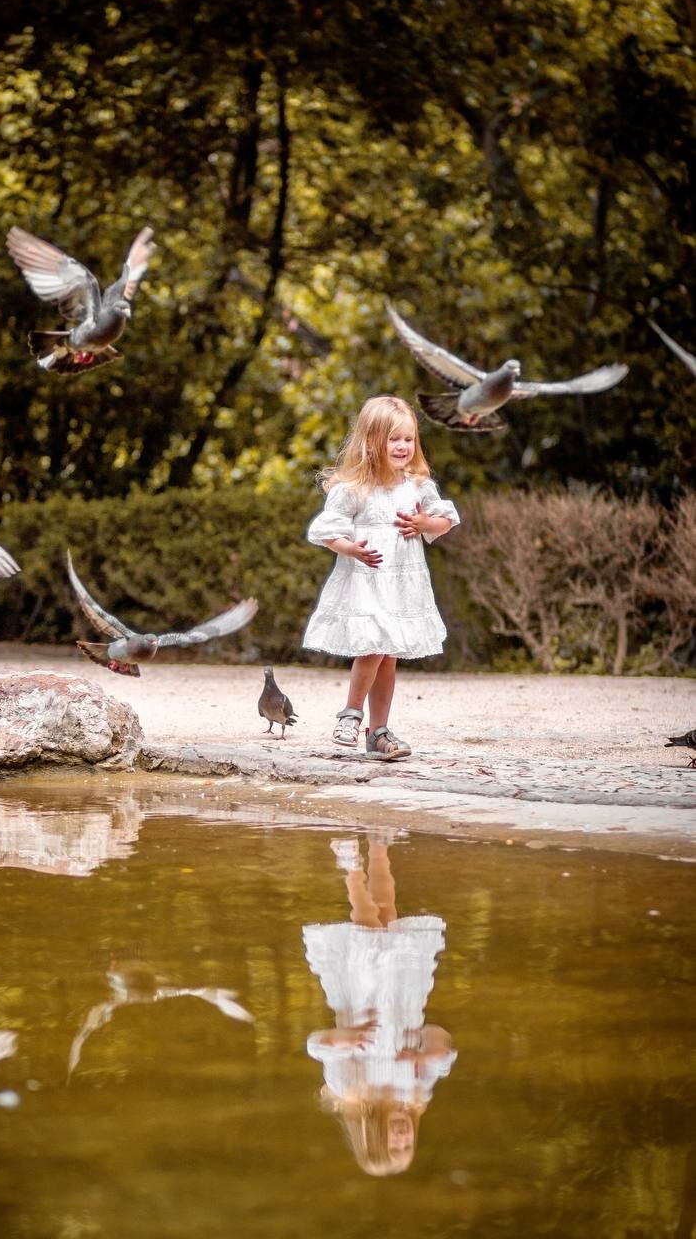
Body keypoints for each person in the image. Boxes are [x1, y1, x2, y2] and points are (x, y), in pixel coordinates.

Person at [302, 395, 459, 759]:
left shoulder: (417, 485)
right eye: (393, 439)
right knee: (373, 646)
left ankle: (379, 731)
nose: (403, 446)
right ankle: (351, 712)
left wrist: (424, 524)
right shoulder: (354, 488)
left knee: (388, 655)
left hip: (402, 585)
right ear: (371, 441)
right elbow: (329, 532)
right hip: (367, 579)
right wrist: (352, 548)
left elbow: (445, 520)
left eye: (408, 438)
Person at [303, 835, 456, 1176]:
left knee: (370, 931)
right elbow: (438, 1037)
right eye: (408, 1145)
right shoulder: (417, 1093)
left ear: (372, 1135)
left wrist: (346, 1039)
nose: (404, 1137)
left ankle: (351, 870)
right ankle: (379, 845)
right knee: (388, 915)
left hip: (362, 998)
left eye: (394, 1144)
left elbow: (318, 1047)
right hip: (405, 991)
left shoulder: (351, 1090)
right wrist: (426, 1054)